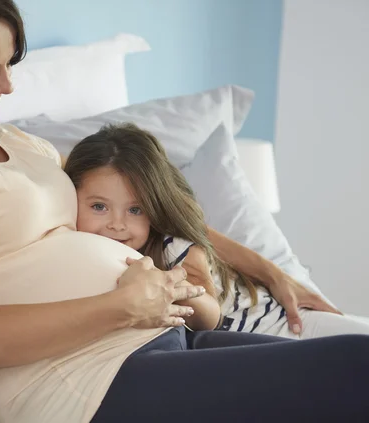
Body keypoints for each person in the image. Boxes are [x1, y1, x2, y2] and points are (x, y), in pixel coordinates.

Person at [0, 0, 369, 422]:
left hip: (161, 340)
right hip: (81, 384)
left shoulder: (21, 144)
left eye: (8, 66)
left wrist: (268, 270)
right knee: (355, 368)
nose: (6, 87)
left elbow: (152, 201)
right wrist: (122, 309)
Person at [63, 122, 369, 340]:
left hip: (285, 325)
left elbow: (210, 315)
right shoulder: (70, 241)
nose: (117, 224)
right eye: (99, 207)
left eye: (135, 210)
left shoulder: (174, 247)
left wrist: (167, 288)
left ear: (154, 212)